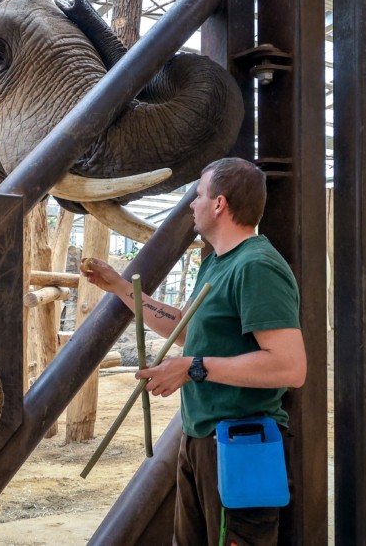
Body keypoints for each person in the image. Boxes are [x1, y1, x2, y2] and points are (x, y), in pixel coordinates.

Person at [81, 157, 306, 546]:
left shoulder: (256, 266)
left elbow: (289, 367)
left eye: (198, 195)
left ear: (219, 204)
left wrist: (194, 368)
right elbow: (185, 328)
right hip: (203, 439)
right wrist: (121, 288)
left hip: (242, 441)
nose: (192, 204)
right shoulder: (216, 264)